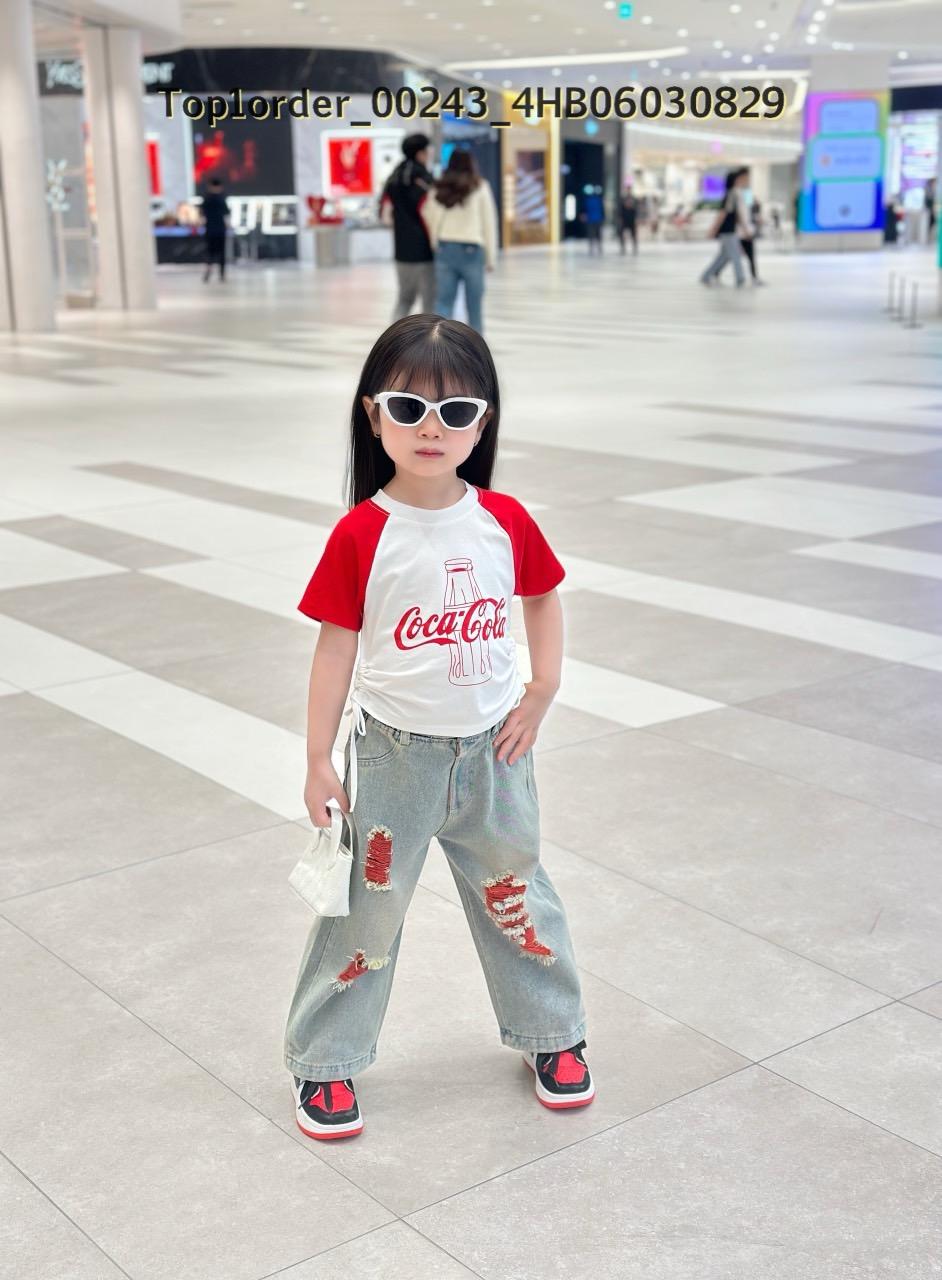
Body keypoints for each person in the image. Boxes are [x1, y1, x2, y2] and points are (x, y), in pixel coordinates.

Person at [284, 314, 594, 1139]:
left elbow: (543, 598)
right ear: (372, 414)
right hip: (394, 761)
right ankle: (326, 1058)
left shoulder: (504, 520)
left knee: (516, 896)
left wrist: (543, 687)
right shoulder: (362, 533)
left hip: (495, 756)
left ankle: (552, 1034)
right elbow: (333, 649)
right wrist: (318, 757)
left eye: (456, 412)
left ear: (481, 425)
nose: (432, 429)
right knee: (365, 913)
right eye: (409, 408)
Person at [423, 150, 498, 333]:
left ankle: (438, 344)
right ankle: (476, 347)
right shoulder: (480, 186)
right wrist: (491, 257)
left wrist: (435, 242)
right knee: (474, 307)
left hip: (445, 247)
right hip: (471, 249)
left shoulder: (439, 187)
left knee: (443, 303)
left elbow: (428, 214)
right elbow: (489, 222)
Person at [379, 133, 436, 320]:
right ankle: (430, 338)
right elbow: (431, 214)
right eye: (427, 151)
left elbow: (384, 212)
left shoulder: (393, 177)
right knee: (429, 303)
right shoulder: (424, 178)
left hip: (401, 249)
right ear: (420, 153)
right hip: (424, 251)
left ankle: (394, 336)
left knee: (404, 299)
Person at [700, 169, 751, 287]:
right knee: (735, 254)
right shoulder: (731, 194)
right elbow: (723, 214)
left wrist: (744, 229)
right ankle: (740, 278)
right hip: (727, 230)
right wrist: (713, 229)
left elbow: (737, 215)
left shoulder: (734, 193)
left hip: (730, 229)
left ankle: (706, 275)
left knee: (724, 256)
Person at [200, 177, 229, 283]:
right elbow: (226, 214)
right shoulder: (221, 199)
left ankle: (209, 272)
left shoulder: (206, 198)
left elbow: (202, 214)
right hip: (219, 229)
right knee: (220, 252)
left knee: (210, 252)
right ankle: (221, 274)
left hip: (210, 229)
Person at [580, 187, 605, 255]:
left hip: (595, 219)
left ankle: (597, 246)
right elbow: (584, 210)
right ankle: (594, 247)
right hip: (592, 219)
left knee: (595, 234)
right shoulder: (592, 200)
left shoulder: (597, 200)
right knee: (593, 234)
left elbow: (602, 209)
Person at [617, 186, 639, 256]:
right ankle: (623, 247)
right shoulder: (623, 199)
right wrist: (620, 218)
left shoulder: (634, 199)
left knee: (633, 235)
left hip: (632, 219)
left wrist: (636, 219)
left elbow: (636, 210)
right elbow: (620, 210)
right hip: (625, 219)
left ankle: (634, 248)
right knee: (622, 234)